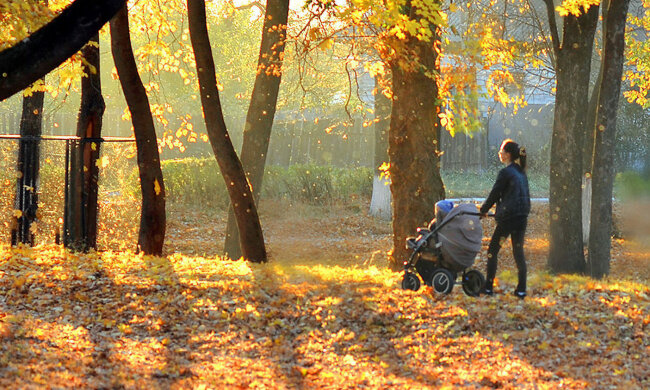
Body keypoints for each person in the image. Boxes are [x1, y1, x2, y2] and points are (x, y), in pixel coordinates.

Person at [479, 139, 531, 298]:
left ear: (507, 155)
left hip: (509, 218)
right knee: (518, 252)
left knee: (492, 251)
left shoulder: (505, 173)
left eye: (501, 151)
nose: (499, 153)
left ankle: (488, 287)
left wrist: (483, 211)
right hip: (521, 217)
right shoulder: (521, 172)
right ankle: (521, 289)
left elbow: (495, 194)